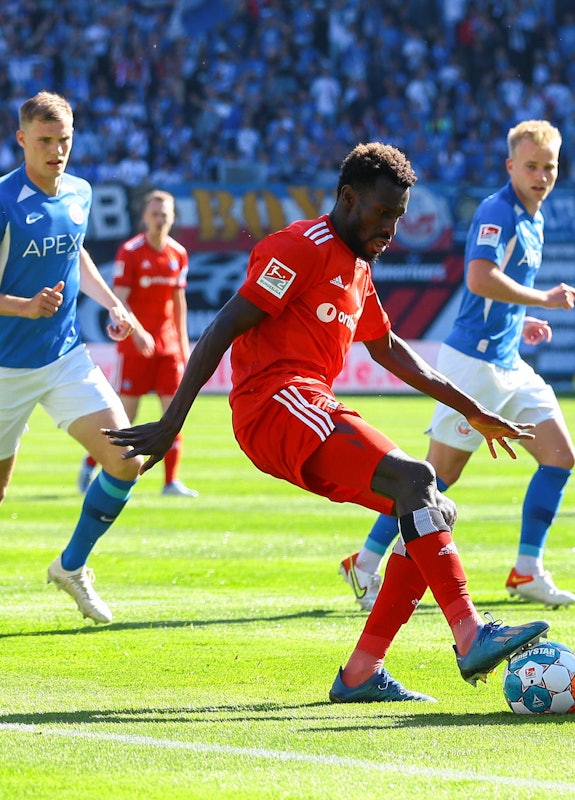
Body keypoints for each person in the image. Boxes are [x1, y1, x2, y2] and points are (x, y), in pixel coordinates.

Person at [106, 143, 549, 703]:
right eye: (382, 213)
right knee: (417, 480)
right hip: (274, 404)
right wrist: (172, 422)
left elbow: (388, 347)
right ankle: (470, 636)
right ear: (347, 197)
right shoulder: (297, 248)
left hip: (306, 404)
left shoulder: (359, 266)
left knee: (432, 506)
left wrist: (471, 408)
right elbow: (220, 330)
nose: (391, 228)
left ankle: (362, 672)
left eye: (399, 217)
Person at [340, 120, 575, 610]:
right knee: (435, 477)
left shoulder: (535, 216)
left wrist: (524, 317)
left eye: (548, 167)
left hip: (507, 360)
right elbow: (478, 278)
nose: (541, 175)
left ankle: (527, 570)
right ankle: (364, 562)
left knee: (560, 457)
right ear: (510, 166)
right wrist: (544, 299)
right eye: (531, 166)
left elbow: (497, 292)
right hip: (473, 364)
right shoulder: (498, 211)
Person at [0, 91, 143, 624]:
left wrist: (114, 304)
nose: (56, 151)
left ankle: (72, 566)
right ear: (21, 140)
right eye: (45, 141)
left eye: (64, 140)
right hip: (4, 369)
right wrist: (25, 306)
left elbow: (75, 252)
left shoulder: (80, 192)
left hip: (64, 358)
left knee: (126, 459)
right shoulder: (4, 202)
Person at [78, 189, 198, 497]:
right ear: (144, 217)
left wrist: (184, 347)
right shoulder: (130, 252)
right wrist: (139, 332)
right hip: (135, 346)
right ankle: (91, 463)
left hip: (168, 347)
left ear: (173, 218)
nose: (160, 220)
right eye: (155, 214)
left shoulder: (178, 254)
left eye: (165, 215)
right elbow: (121, 300)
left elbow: (178, 302)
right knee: (125, 417)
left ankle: (170, 482)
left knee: (174, 415)